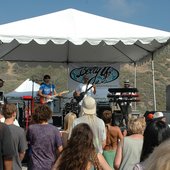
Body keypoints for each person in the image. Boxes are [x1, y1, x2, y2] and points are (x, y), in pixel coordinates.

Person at [26, 104, 63, 170]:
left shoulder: (31, 128)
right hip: (50, 164)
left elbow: (27, 142)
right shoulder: (54, 130)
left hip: (34, 165)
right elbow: (60, 150)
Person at [2, 103, 28, 170]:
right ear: (14, 114)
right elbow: (22, 152)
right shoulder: (20, 131)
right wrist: (17, 161)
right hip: (15, 166)